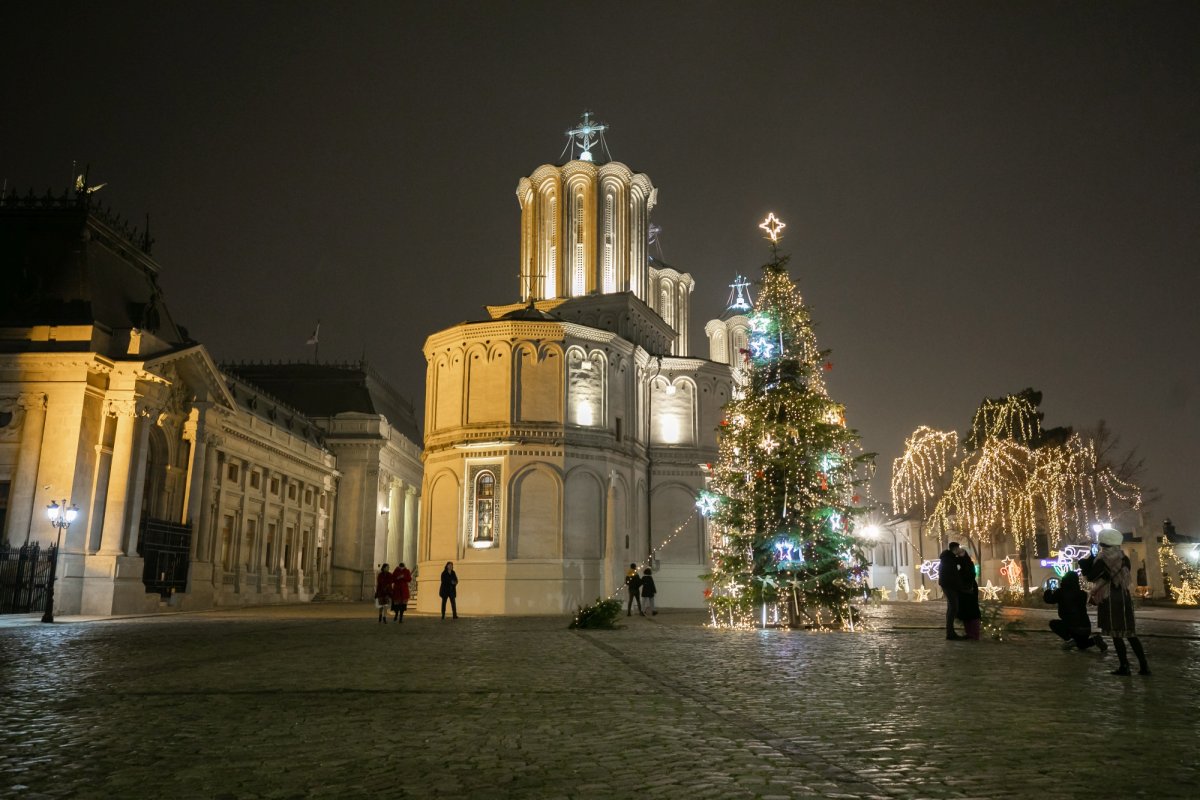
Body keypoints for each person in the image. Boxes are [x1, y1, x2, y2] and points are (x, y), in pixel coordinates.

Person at [1080, 528, 1150, 676]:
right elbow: (1125, 575)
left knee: (1116, 634)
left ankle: (1124, 666)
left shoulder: (1102, 559)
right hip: (1124, 596)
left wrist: (1086, 567)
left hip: (1110, 597)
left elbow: (1092, 577)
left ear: (1103, 543)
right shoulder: (1124, 558)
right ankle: (1144, 666)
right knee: (1130, 633)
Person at [1042, 570, 1105, 652]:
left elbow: (1049, 600)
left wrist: (1048, 591)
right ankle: (1095, 640)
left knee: (1053, 624)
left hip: (1072, 627)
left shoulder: (1061, 592)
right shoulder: (1082, 594)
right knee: (1081, 645)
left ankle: (1069, 639)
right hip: (1085, 628)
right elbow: (1093, 602)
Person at [938, 542, 963, 639]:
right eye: (958, 548)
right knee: (953, 608)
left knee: (951, 608)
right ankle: (950, 633)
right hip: (949, 586)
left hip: (947, 585)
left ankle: (950, 632)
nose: (959, 550)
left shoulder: (947, 558)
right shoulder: (949, 559)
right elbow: (952, 574)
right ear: (955, 549)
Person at [957, 548, 981, 640]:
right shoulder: (959, 563)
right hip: (963, 589)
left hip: (970, 589)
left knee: (972, 610)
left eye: (961, 553)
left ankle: (974, 633)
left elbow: (971, 574)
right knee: (965, 611)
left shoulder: (968, 563)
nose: (959, 555)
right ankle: (969, 633)